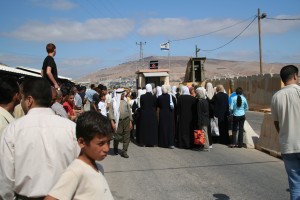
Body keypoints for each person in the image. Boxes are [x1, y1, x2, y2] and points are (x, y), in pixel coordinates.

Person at [0, 78, 80, 199]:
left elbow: (6, 180)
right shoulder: (71, 128)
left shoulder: (13, 130)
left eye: (22, 98)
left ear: (29, 100)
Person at [45, 111, 114, 200]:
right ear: (82, 142)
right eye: (101, 143)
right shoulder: (76, 171)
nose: (107, 149)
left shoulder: (98, 167)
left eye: (108, 142)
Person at [271, 65, 300, 200]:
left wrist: (284, 136)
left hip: (287, 146)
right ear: (295, 75)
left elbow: (276, 123)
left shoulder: (276, 97)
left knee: (295, 186)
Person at [109, 88, 133, 158]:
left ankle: (124, 151)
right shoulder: (113, 102)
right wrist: (112, 122)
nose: (123, 95)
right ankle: (115, 148)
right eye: (122, 94)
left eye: (123, 94)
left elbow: (129, 111)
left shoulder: (126, 101)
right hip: (118, 122)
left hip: (126, 120)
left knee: (126, 137)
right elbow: (111, 112)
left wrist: (130, 121)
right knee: (117, 137)